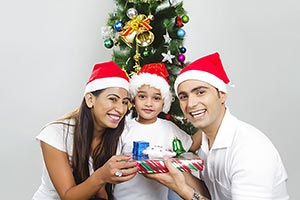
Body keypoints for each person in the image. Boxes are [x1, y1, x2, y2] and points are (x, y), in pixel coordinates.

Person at [146, 52, 289, 200]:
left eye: (200, 92)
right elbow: (212, 195)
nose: (191, 104)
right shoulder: (206, 142)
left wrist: (182, 189)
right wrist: (178, 173)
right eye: (184, 97)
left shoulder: (249, 148)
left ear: (222, 95)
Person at [33, 61, 138, 200]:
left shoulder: (117, 135)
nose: (120, 109)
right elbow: (68, 196)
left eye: (125, 102)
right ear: (90, 100)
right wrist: (101, 176)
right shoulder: (56, 133)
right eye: (113, 99)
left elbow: (101, 194)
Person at [113, 63, 202, 200]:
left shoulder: (169, 128)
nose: (149, 103)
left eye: (156, 98)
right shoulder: (124, 127)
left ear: (163, 103)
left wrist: (208, 124)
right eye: (142, 97)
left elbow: (192, 144)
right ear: (134, 99)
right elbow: (111, 163)